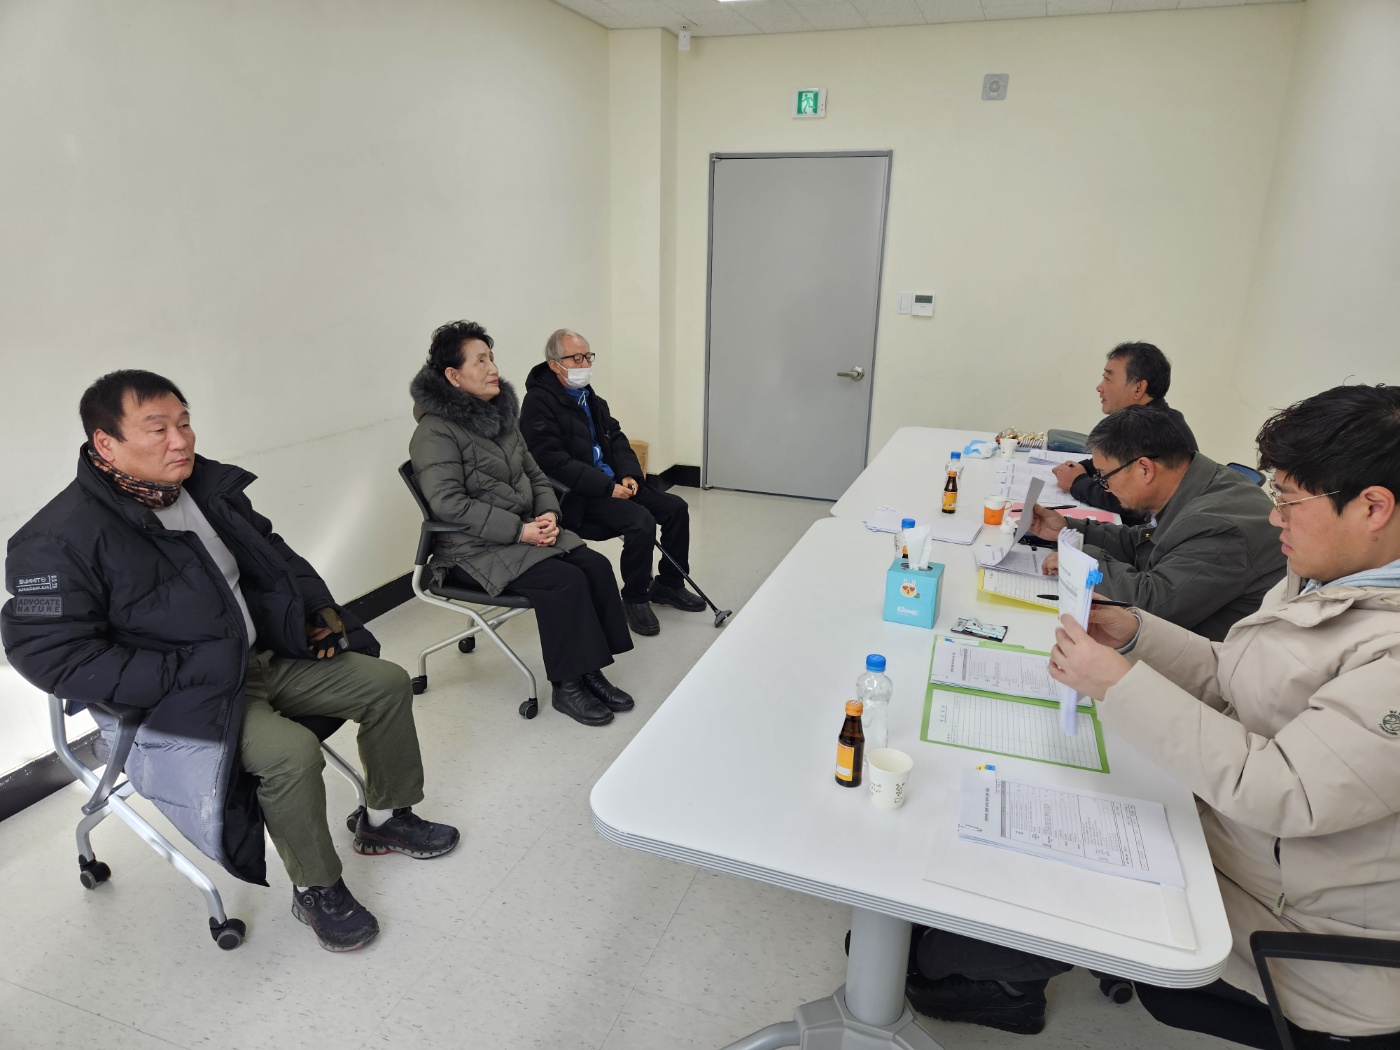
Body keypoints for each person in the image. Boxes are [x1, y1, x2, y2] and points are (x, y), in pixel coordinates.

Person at [906, 384, 1400, 1048]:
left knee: (1058, 842)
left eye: (1287, 498)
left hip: (1300, 932)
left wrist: (1120, 687)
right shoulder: (1330, 578)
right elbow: (1235, 675)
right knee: (1049, 781)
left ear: (1373, 506)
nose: (1273, 515)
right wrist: (1136, 633)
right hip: (1233, 841)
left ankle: (958, 969)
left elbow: (1285, 792)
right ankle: (947, 935)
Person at [1, 370, 457, 953]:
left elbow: (277, 557)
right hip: (181, 698)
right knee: (289, 753)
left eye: (185, 423)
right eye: (158, 429)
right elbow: (49, 653)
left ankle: (385, 820)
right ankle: (316, 888)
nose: (181, 440)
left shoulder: (207, 490)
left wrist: (315, 610)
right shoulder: (54, 540)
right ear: (106, 443)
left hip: (258, 660)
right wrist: (181, 675)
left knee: (386, 683)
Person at [408, 320, 635, 727]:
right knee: (564, 581)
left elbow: (536, 475)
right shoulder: (434, 432)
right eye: (480, 361)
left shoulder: (501, 418)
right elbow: (449, 505)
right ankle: (567, 686)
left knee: (595, 565)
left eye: (491, 358)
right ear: (454, 376)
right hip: (470, 550)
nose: (493, 368)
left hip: (521, 534)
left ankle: (590, 671)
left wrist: (548, 514)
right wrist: (519, 530)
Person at [1032, 404, 1284, 641]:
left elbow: (1151, 605)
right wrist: (1068, 530)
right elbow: (1145, 542)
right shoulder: (1198, 483)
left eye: (1104, 476)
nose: (1104, 486)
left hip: (1215, 657)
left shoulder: (1218, 527)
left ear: (1144, 469)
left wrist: (1081, 560)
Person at [519, 330, 704, 637]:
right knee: (640, 521)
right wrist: (606, 487)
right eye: (576, 358)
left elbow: (616, 439)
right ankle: (635, 597)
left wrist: (630, 474)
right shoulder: (538, 403)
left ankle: (669, 585)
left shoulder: (591, 398)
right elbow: (551, 461)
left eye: (587, 356)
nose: (584, 364)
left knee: (675, 508)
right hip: (578, 497)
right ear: (554, 364)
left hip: (612, 484)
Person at [1051, 342, 1198, 525]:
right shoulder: (1141, 421)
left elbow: (1132, 506)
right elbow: (1116, 462)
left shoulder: (1158, 430)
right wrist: (1080, 468)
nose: (1099, 387)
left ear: (1138, 388)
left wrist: (1077, 483)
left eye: (1108, 378)